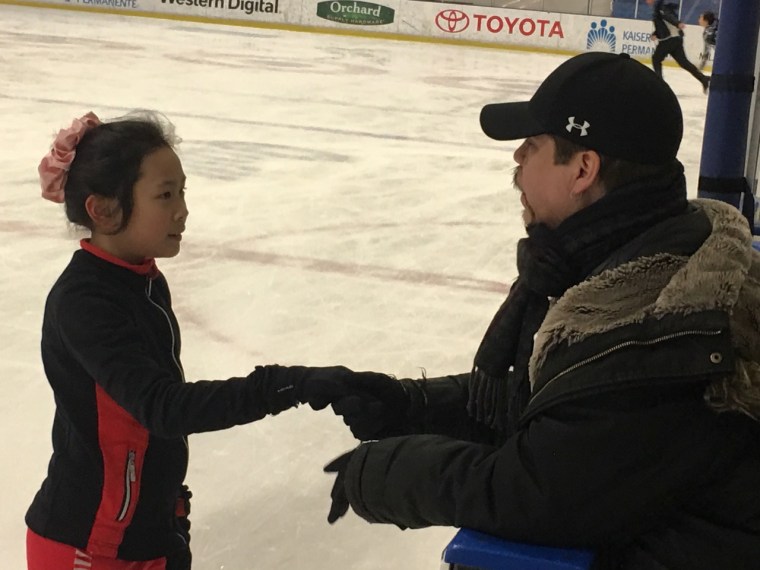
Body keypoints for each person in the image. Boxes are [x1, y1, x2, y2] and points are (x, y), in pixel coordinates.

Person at [309, 52, 760, 569]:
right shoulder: (652, 254)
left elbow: (532, 493)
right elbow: (566, 400)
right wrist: (412, 404)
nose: (517, 159)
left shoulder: (661, 327)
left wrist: (378, 472)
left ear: (583, 169)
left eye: (533, 146)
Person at [25, 110, 379, 570]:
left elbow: (141, 428)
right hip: (89, 546)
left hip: (145, 532)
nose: (182, 210)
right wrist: (287, 384)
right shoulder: (85, 302)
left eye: (182, 191)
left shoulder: (142, 279)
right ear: (104, 209)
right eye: (165, 195)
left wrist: (169, 506)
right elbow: (163, 407)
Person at [646, 0, 710, 93]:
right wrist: (656, 33)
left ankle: (660, 86)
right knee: (684, 63)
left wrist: (677, 23)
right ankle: (703, 79)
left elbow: (668, 16)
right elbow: (663, 23)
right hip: (676, 38)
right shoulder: (661, 5)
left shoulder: (661, 6)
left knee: (656, 59)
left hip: (669, 39)